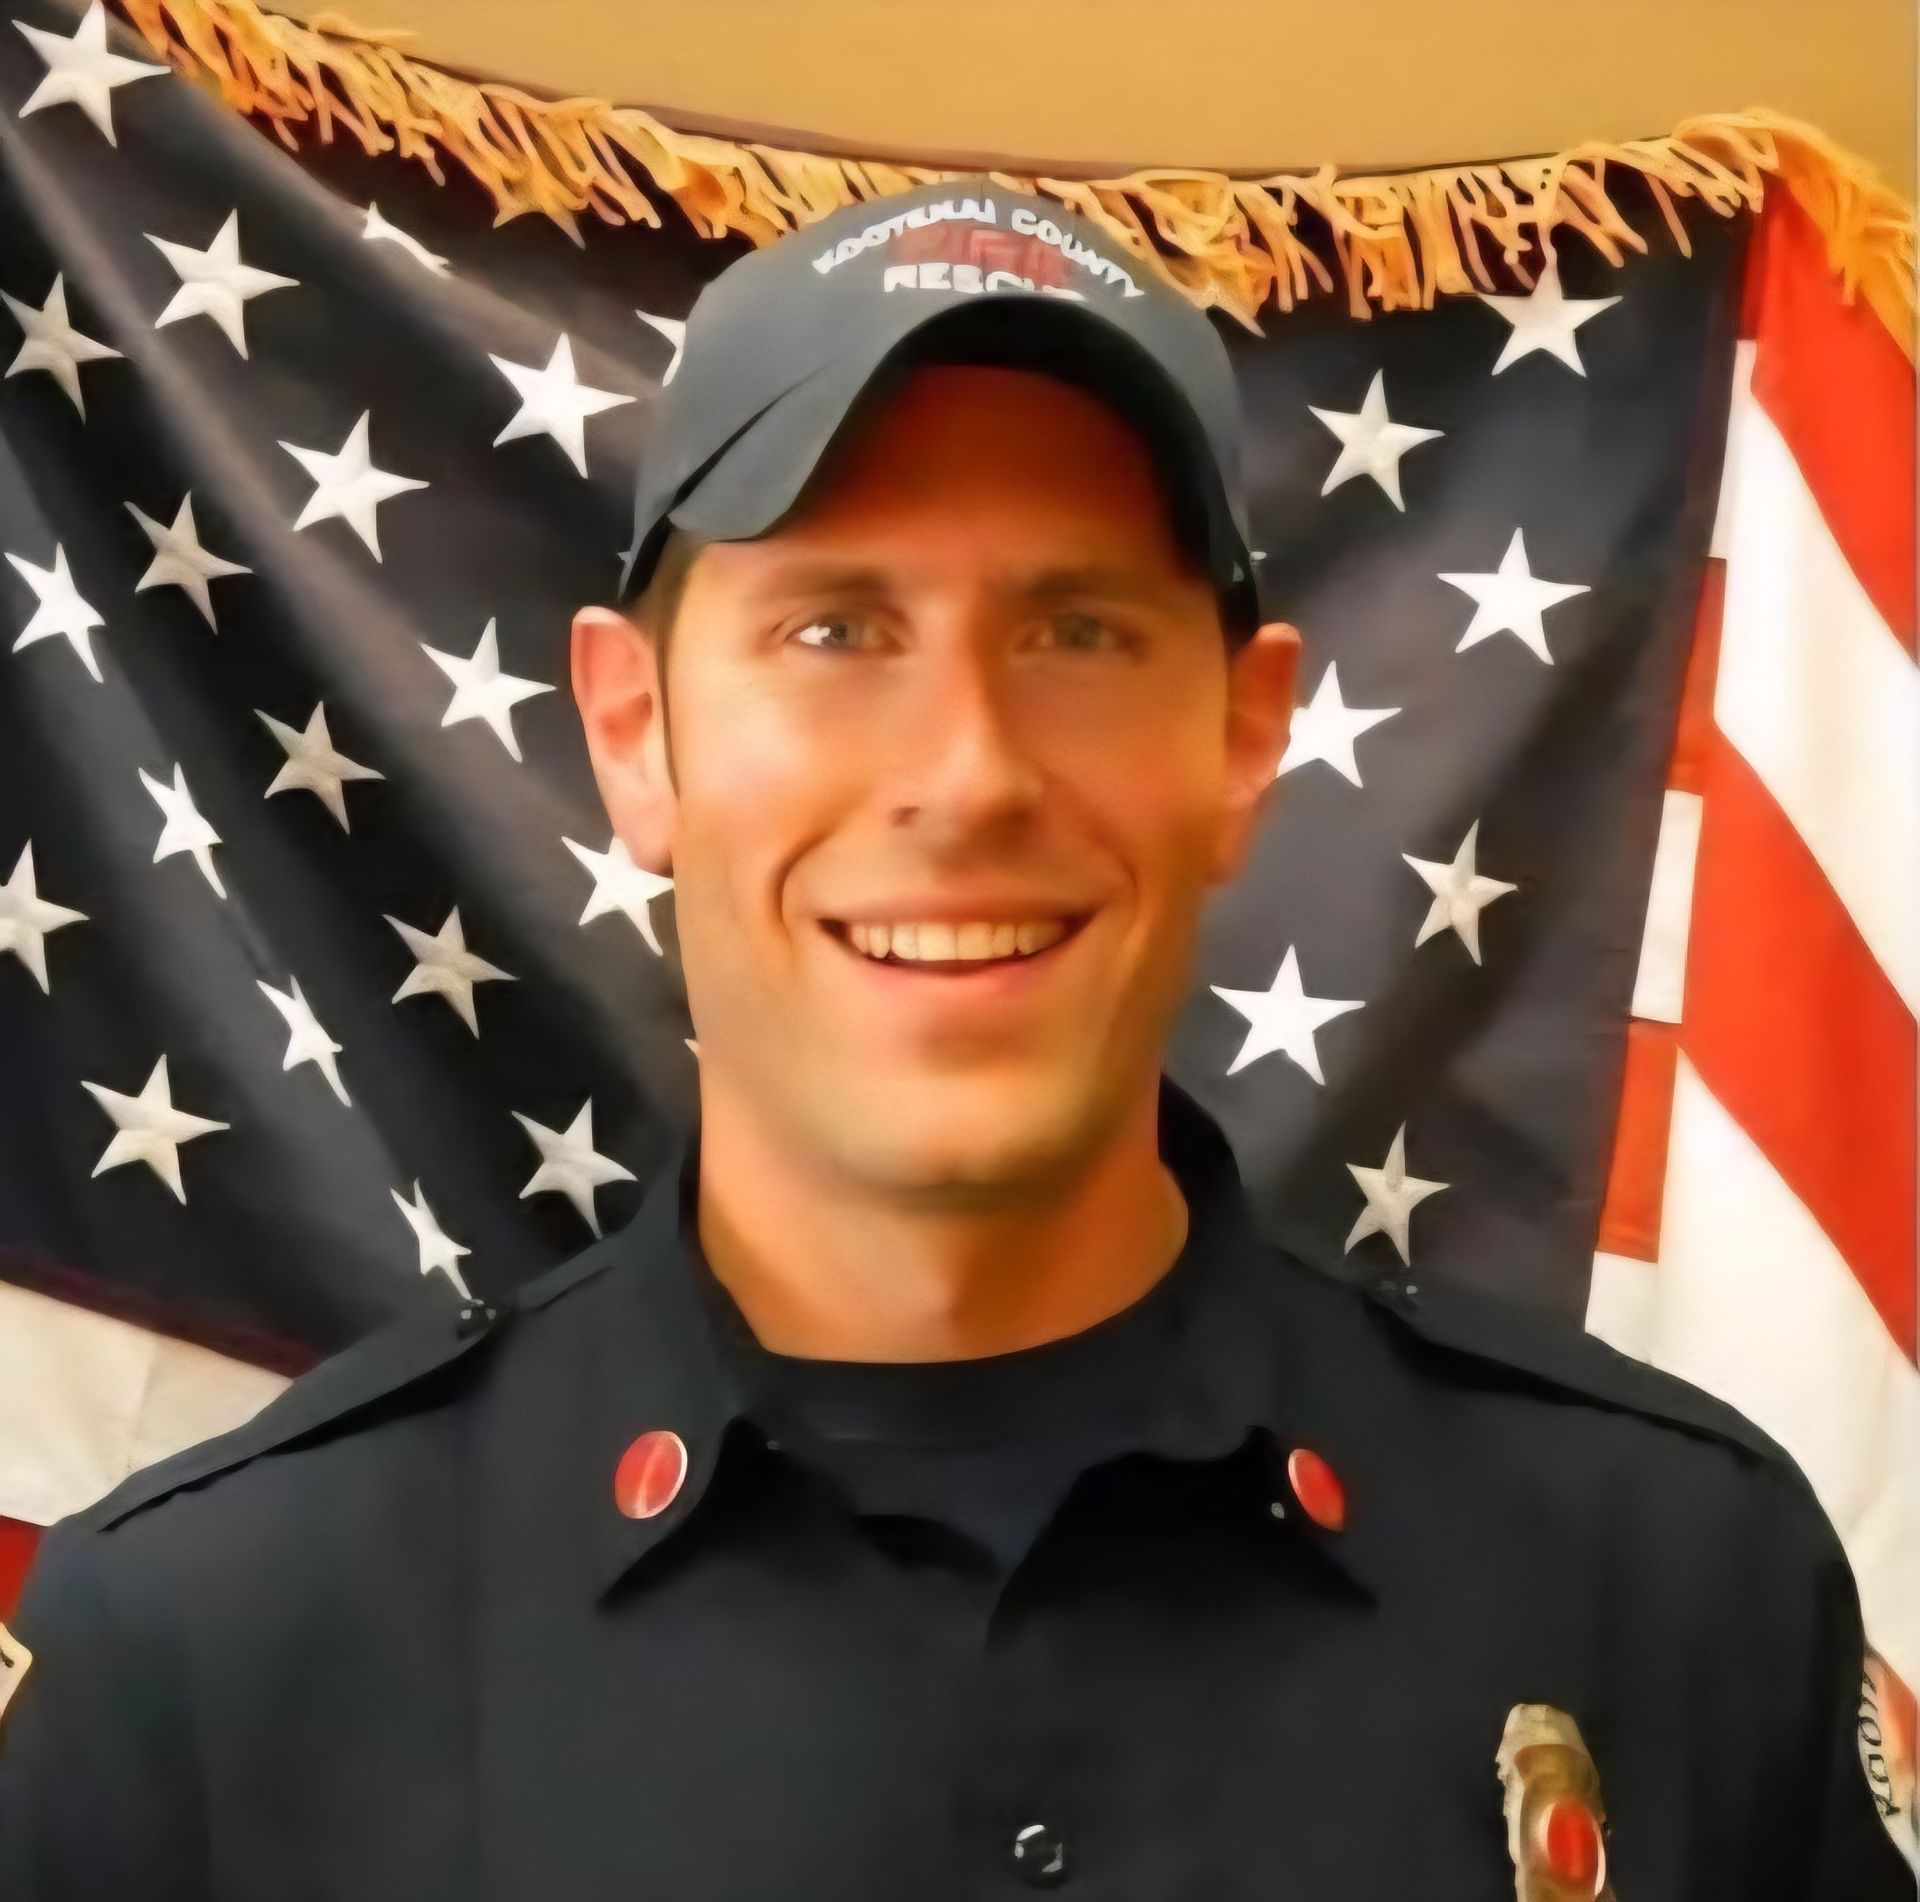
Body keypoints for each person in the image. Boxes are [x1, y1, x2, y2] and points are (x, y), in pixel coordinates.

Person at [0, 174, 1908, 1902]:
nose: (969, 773)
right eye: (835, 630)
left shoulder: (1678, 1586)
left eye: (1078, 633)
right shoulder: (207, 1658)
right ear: (635, 732)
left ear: (1244, 741)